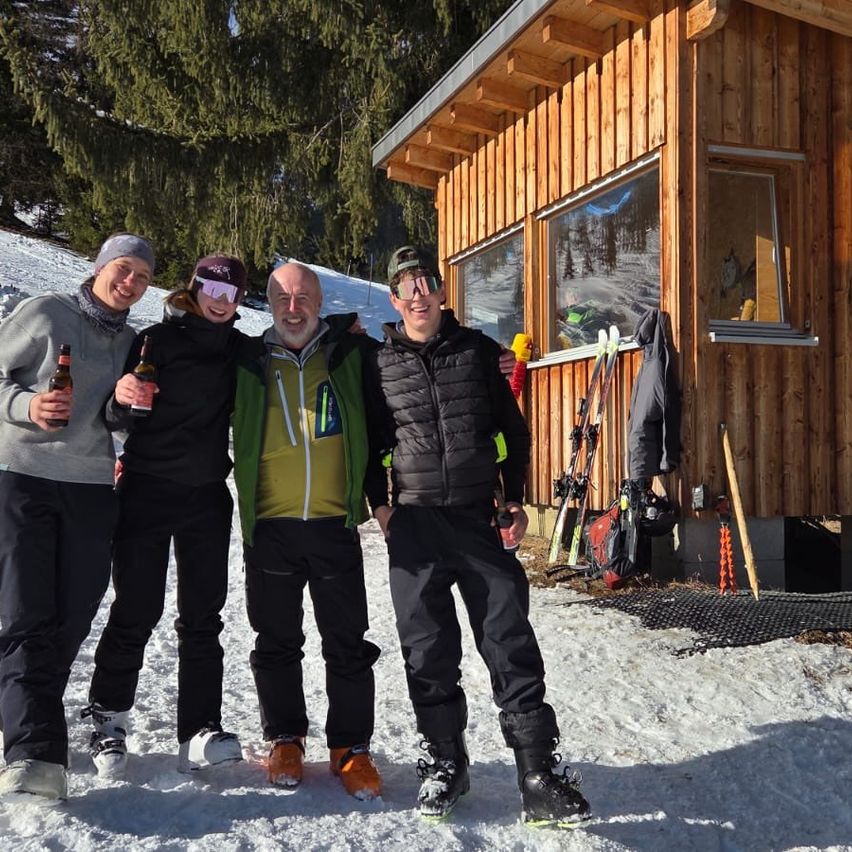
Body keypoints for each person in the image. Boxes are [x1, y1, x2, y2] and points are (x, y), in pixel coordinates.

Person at [363, 245, 592, 825]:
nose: (418, 294)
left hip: (476, 518)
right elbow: (367, 443)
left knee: (509, 640)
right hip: (413, 524)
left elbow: (513, 434)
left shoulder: (478, 352)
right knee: (427, 650)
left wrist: (513, 499)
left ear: (442, 293)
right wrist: (380, 508)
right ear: (394, 299)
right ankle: (445, 764)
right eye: (406, 285)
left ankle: (538, 774)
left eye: (426, 283)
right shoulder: (377, 364)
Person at [0, 234, 154, 800]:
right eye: (123, 268)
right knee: (26, 612)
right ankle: (34, 753)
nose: (130, 282)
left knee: (73, 614)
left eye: (141, 276)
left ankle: (19, 708)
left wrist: (125, 404)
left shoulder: (132, 340)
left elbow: (113, 420)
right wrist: (26, 406)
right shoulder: (44, 312)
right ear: (99, 267)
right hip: (23, 476)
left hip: (91, 484)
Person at [83, 255, 248, 776]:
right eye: (212, 290)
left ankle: (198, 730)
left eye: (231, 293)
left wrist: (347, 330)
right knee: (137, 605)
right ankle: (106, 719)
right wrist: (122, 399)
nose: (221, 301)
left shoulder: (241, 350)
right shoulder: (154, 340)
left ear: (240, 300)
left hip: (206, 494)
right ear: (194, 289)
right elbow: (115, 413)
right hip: (147, 487)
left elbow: (299, 352)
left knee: (203, 615)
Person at [230, 261, 383, 800]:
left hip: (332, 522)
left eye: (303, 298)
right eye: (282, 298)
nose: (293, 308)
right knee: (275, 640)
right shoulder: (245, 359)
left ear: (320, 302)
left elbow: (416, 359)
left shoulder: (351, 354)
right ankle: (285, 738)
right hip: (269, 522)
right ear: (267, 302)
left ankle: (350, 747)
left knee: (347, 642)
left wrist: (491, 357)